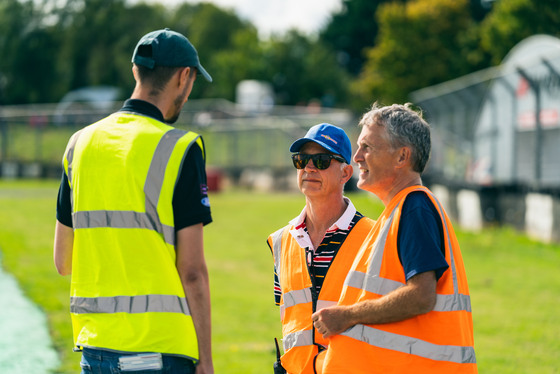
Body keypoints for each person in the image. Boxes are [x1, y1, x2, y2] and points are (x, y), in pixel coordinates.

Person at [53, 28, 214, 374]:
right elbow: (192, 272)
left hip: (94, 349)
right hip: (160, 351)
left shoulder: (79, 144)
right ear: (184, 78)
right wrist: (206, 361)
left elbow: (63, 260)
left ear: (135, 72)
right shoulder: (179, 147)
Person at [311, 103, 477, 373]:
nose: (356, 157)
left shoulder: (414, 207)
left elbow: (422, 296)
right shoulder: (400, 210)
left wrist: (347, 315)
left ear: (402, 157)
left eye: (367, 147)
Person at [267, 123, 375, 374]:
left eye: (322, 160)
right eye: (302, 160)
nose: (309, 168)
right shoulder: (280, 241)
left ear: (346, 173)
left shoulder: (374, 236)